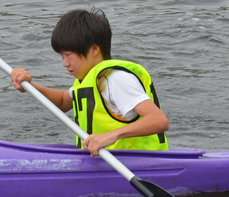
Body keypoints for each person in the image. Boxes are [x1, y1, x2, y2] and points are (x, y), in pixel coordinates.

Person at [10, 9, 169, 156]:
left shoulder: (116, 79)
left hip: (141, 163)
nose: (64, 63)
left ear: (94, 50)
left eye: (68, 55)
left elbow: (159, 120)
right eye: (61, 56)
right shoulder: (88, 80)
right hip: (106, 163)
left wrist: (111, 136)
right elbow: (63, 101)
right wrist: (30, 87)